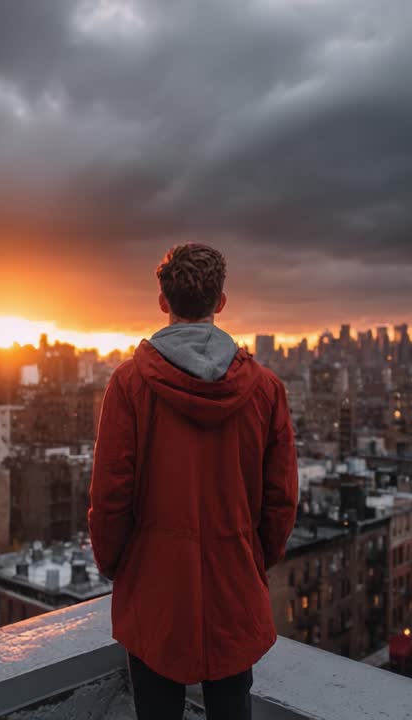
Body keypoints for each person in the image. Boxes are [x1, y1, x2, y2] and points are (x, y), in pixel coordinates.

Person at [89, 243, 299, 720]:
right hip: (235, 585)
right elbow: (281, 498)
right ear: (220, 302)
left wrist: (116, 564)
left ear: (163, 301)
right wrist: (251, 556)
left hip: (155, 590)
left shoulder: (129, 384)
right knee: (232, 708)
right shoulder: (266, 389)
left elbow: (110, 495)